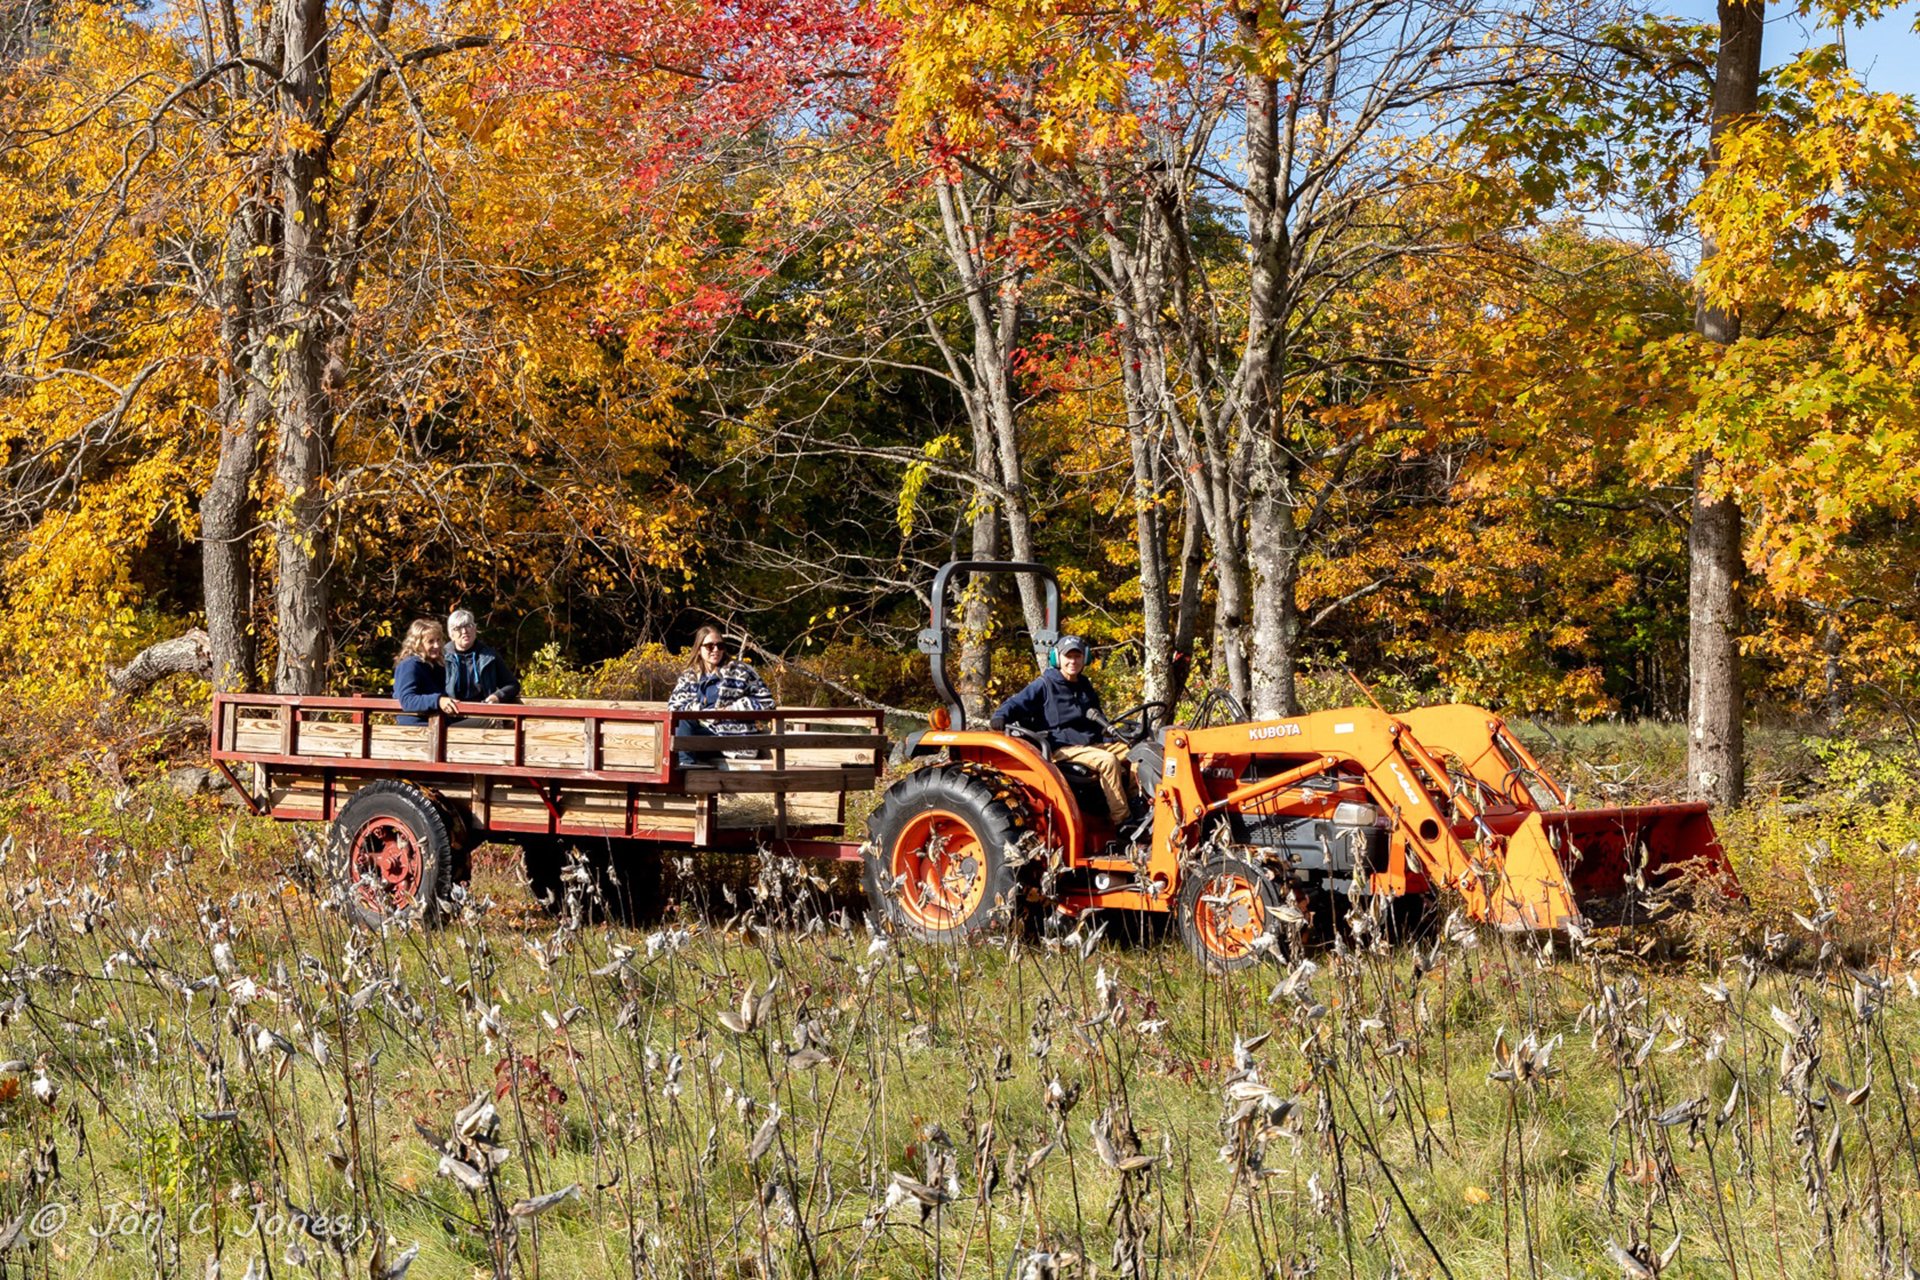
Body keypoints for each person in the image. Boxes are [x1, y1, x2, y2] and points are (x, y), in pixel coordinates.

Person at [991, 634, 1133, 829]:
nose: (1073, 661)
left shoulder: (1085, 686)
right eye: (1068, 657)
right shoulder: (1044, 684)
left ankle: (1139, 805)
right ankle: (1123, 821)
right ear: (1057, 659)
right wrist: (1000, 715)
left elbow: (1098, 718)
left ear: (1085, 658)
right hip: (1062, 748)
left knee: (1137, 752)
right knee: (1108, 761)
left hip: (1089, 745)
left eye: (1077, 656)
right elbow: (1015, 703)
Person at [666, 625, 775, 767]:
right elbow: (673, 706)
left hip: (733, 739)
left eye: (720, 645)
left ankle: (686, 766)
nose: (716, 650)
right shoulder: (690, 676)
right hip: (702, 734)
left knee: (680, 738)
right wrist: (701, 713)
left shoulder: (740, 671)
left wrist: (731, 709)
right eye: (710, 646)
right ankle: (687, 764)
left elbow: (767, 702)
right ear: (699, 649)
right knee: (680, 726)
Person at [444, 609, 520, 706]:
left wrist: (497, 696)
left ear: (475, 629)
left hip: (483, 712)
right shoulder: (443, 656)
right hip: (451, 715)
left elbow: (513, 685)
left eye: (468, 626)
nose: (464, 631)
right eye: (458, 628)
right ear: (451, 634)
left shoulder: (489, 656)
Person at [393, 618, 459, 725]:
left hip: (440, 724)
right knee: (490, 722)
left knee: (490, 721)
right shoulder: (410, 665)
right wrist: (438, 700)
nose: (437, 646)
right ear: (417, 644)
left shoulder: (436, 665)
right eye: (431, 641)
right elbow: (407, 700)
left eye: (438, 640)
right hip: (419, 728)